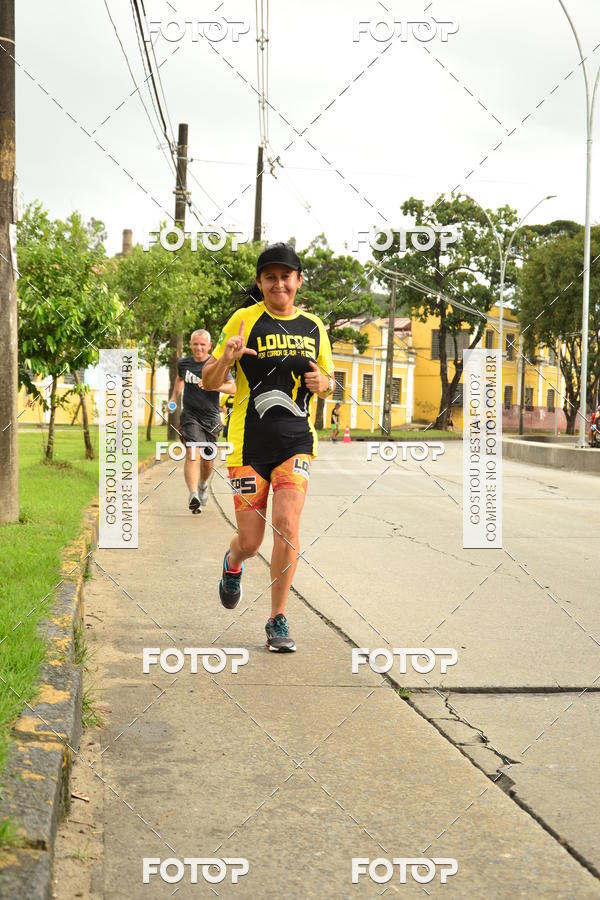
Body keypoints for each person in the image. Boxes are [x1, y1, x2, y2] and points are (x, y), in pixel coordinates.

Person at [202, 242, 334, 651]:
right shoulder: (243, 319)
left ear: (298, 281)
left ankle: (277, 618)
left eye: (286, 276)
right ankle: (233, 562)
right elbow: (209, 380)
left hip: (297, 441)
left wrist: (324, 384)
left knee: (289, 528)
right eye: (270, 277)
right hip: (248, 445)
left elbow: (327, 379)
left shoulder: (314, 327)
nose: (279, 284)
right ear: (260, 282)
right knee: (252, 541)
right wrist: (226, 358)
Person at [169, 329, 235, 513]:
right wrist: (174, 397)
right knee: (192, 452)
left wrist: (214, 385)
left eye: (203, 344)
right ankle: (193, 495)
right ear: (190, 345)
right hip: (190, 415)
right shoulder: (183, 363)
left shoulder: (216, 364)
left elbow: (233, 387)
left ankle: (203, 484)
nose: (199, 347)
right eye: (195, 344)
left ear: (210, 346)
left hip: (212, 418)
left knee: (208, 459)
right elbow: (180, 379)